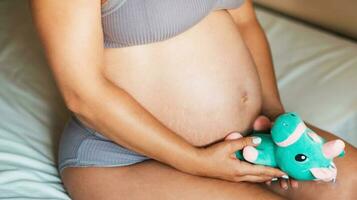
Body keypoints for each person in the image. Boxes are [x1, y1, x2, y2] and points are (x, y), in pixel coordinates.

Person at [29, 0, 357, 199]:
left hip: (252, 138)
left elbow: (246, 23)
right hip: (125, 158)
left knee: (352, 182)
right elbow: (84, 94)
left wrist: (272, 113)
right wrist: (195, 160)